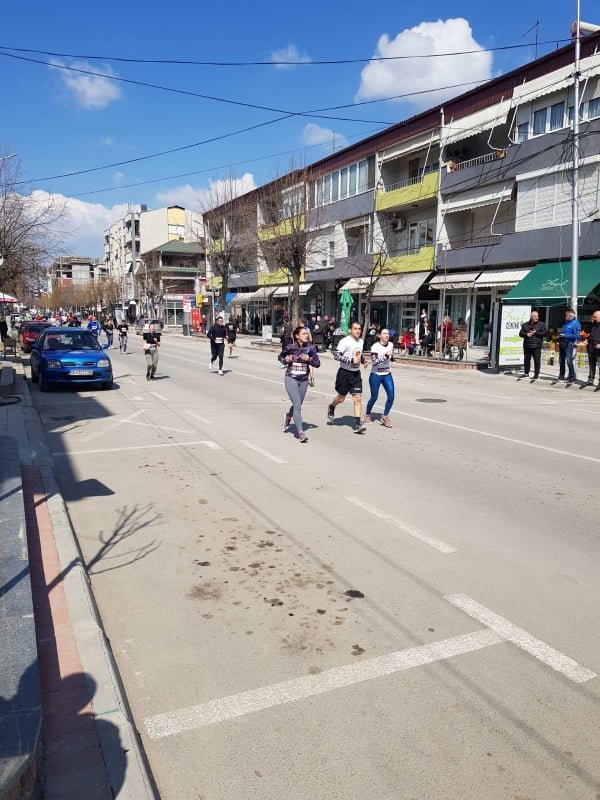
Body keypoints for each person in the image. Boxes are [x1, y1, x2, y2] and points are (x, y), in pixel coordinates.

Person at [279, 326, 320, 443]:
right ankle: (300, 432)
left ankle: (288, 416)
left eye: (307, 333)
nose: (306, 335)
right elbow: (280, 357)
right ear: (297, 336)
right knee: (297, 404)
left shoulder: (311, 348)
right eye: (303, 334)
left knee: (298, 404)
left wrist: (309, 359)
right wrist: (286, 360)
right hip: (291, 378)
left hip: (303, 380)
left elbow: (317, 363)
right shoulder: (290, 347)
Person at [327, 320, 369, 434]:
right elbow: (336, 355)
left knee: (357, 398)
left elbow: (358, 354)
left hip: (355, 374)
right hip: (344, 373)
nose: (358, 331)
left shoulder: (361, 341)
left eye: (359, 329)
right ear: (350, 330)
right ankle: (332, 406)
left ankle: (357, 424)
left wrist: (363, 361)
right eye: (355, 329)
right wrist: (350, 360)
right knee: (341, 398)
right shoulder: (345, 341)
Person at [365, 328, 395, 428]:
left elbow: (390, 355)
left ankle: (385, 416)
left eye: (388, 333)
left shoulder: (391, 345)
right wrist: (386, 356)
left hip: (387, 374)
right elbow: (374, 362)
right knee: (374, 397)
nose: (387, 335)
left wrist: (393, 360)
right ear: (379, 335)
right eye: (384, 333)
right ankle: (367, 414)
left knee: (391, 396)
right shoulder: (375, 347)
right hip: (376, 374)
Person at [555, 308, 581, 386]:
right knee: (561, 360)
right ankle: (561, 376)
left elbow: (577, 336)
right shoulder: (566, 323)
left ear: (571, 315)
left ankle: (572, 377)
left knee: (569, 360)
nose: (566, 316)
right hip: (562, 342)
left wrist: (565, 335)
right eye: (566, 315)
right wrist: (559, 338)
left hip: (569, 343)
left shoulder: (576, 324)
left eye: (567, 315)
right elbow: (563, 332)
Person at [519, 310, 547, 380]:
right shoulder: (525, 325)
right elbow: (520, 334)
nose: (536, 318)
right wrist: (526, 334)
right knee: (527, 360)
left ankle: (536, 374)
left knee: (537, 360)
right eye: (535, 316)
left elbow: (545, 333)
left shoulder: (541, 324)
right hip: (527, 345)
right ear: (531, 317)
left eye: (537, 316)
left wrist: (535, 333)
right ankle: (526, 373)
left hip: (537, 345)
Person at [585, 309, 600, 388]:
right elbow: (587, 332)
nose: (593, 318)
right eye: (593, 317)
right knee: (591, 365)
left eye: (595, 317)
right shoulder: (593, 324)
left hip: (598, 349)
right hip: (591, 347)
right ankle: (590, 380)